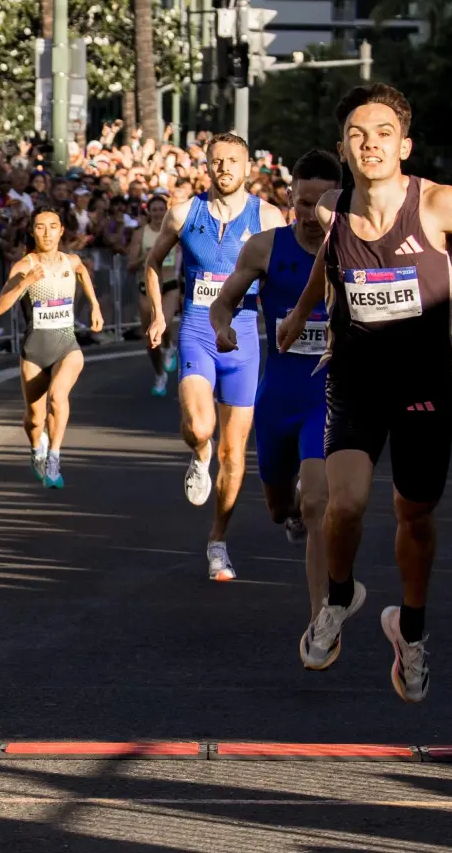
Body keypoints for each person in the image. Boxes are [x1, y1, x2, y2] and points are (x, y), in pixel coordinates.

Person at [278, 84, 452, 701]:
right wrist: (301, 312)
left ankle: (411, 629)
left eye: (381, 134)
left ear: (404, 144)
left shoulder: (438, 205)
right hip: (354, 380)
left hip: (423, 384)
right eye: (356, 134)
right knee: (343, 504)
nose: (369, 144)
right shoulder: (331, 210)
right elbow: (331, 260)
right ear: (344, 149)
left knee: (414, 516)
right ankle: (341, 599)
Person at [209, 150, 340, 649]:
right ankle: (289, 514)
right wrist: (222, 328)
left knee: (319, 502)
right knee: (280, 506)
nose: (311, 217)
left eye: (322, 206)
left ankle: (320, 622)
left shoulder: (352, 249)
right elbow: (224, 302)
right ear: (291, 198)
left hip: (326, 396)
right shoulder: (265, 247)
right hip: (278, 398)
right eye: (304, 204)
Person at [145, 133, 287, 581]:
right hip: (197, 333)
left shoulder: (267, 217)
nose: (224, 167)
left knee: (234, 451)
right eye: (216, 161)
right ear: (206, 166)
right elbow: (153, 263)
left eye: (233, 161)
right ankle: (196, 451)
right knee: (201, 427)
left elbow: (286, 276)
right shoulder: (185, 213)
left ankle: (218, 542)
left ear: (248, 167)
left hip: (244, 343)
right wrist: (157, 315)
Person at [0, 206, 103, 488]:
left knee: (58, 396)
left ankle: (54, 455)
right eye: (40, 227)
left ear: (61, 230)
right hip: (34, 350)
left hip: (67, 344)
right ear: (32, 231)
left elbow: (82, 273)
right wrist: (26, 283)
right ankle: (36, 449)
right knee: (34, 418)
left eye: (52, 226)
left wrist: (95, 306)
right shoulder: (24, 266)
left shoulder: (72, 261)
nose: (47, 233)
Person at [129, 194, 178, 396]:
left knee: (163, 322)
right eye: (154, 209)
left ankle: (168, 346)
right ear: (149, 211)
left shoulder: (174, 232)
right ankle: (159, 374)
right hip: (147, 288)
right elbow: (130, 266)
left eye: (161, 209)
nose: (158, 213)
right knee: (150, 338)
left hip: (169, 285)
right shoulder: (141, 234)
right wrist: (146, 256)